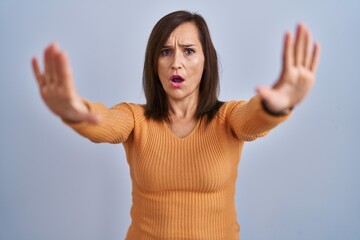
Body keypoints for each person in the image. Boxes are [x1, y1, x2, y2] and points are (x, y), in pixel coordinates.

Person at [31, 10, 320, 240]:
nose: (176, 63)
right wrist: (76, 111)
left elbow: (253, 119)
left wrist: (278, 103)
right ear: (153, 63)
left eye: (189, 51)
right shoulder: (135, 118)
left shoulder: (227, 117)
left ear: (206, 61)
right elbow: (106, 122)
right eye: (165, 51)